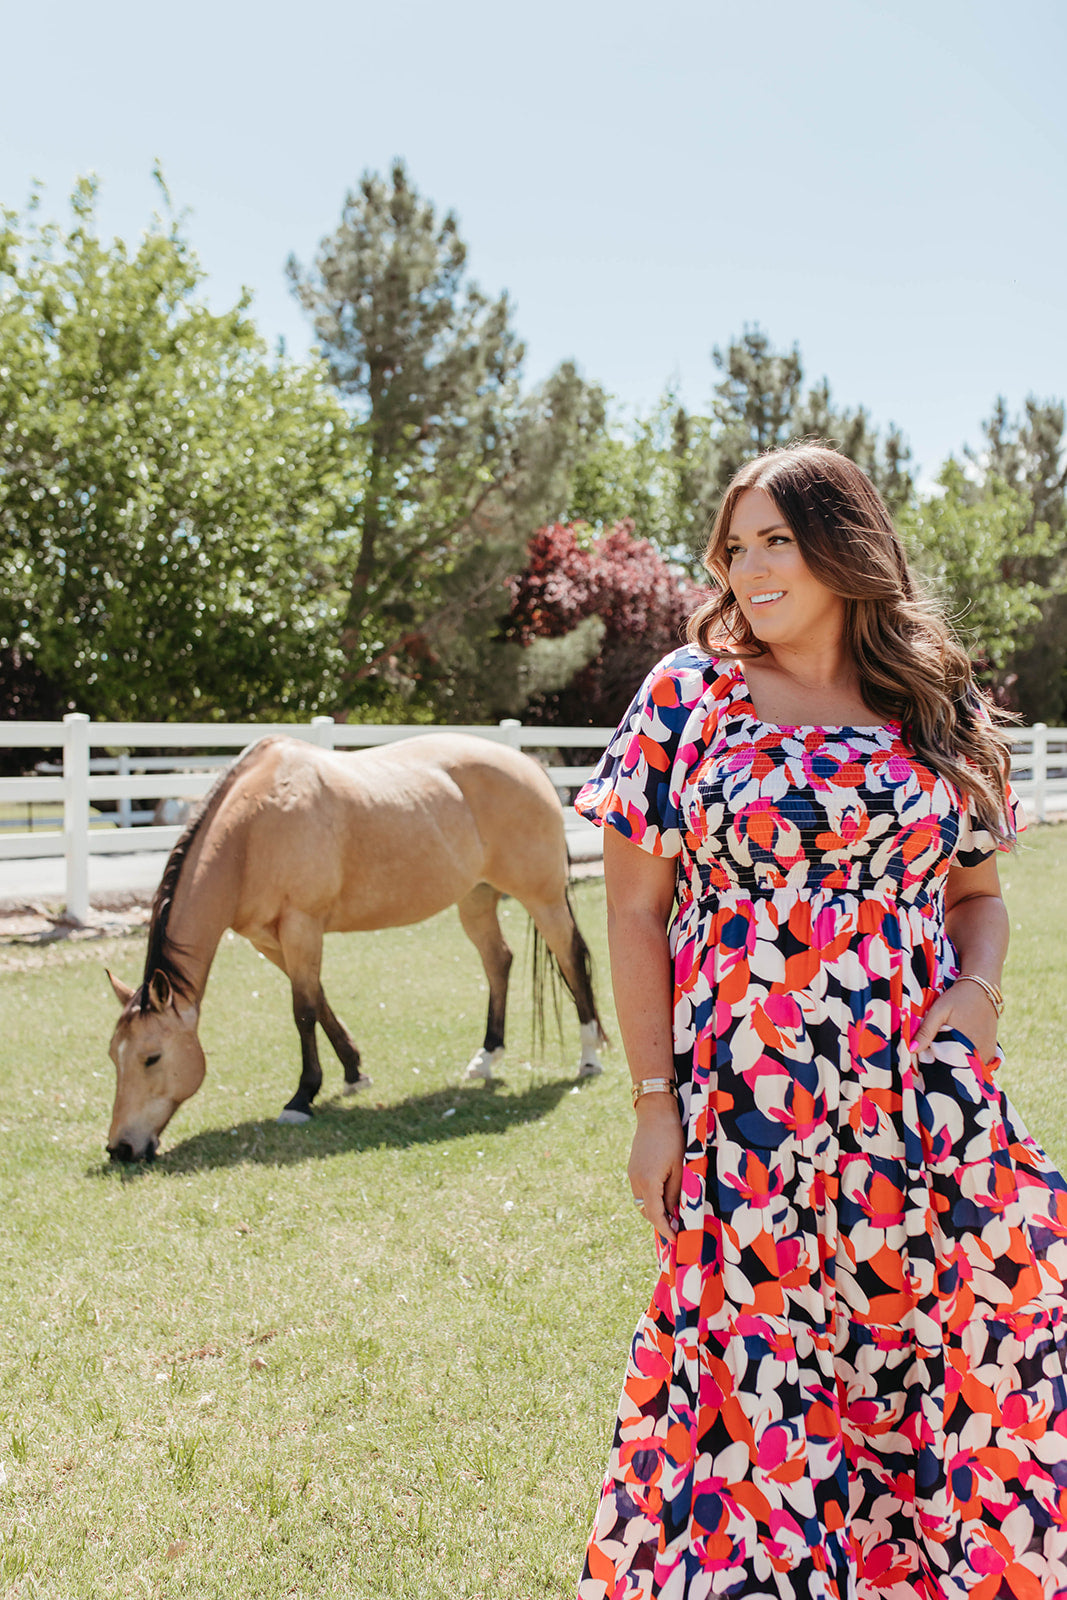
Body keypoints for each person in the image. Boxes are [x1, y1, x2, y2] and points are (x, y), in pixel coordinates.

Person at [573, 443, 1067, 1600]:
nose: (747, 568)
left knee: (951, 1336)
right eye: (733, 547)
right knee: (759, 1376)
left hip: (916, 1102)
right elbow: (634, 913)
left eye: (774, 542)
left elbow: (977, 901)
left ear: (843, 548)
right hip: (748, 1113)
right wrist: (655, 1105)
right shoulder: (687, 696)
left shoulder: (930, 701)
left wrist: (971, 999)